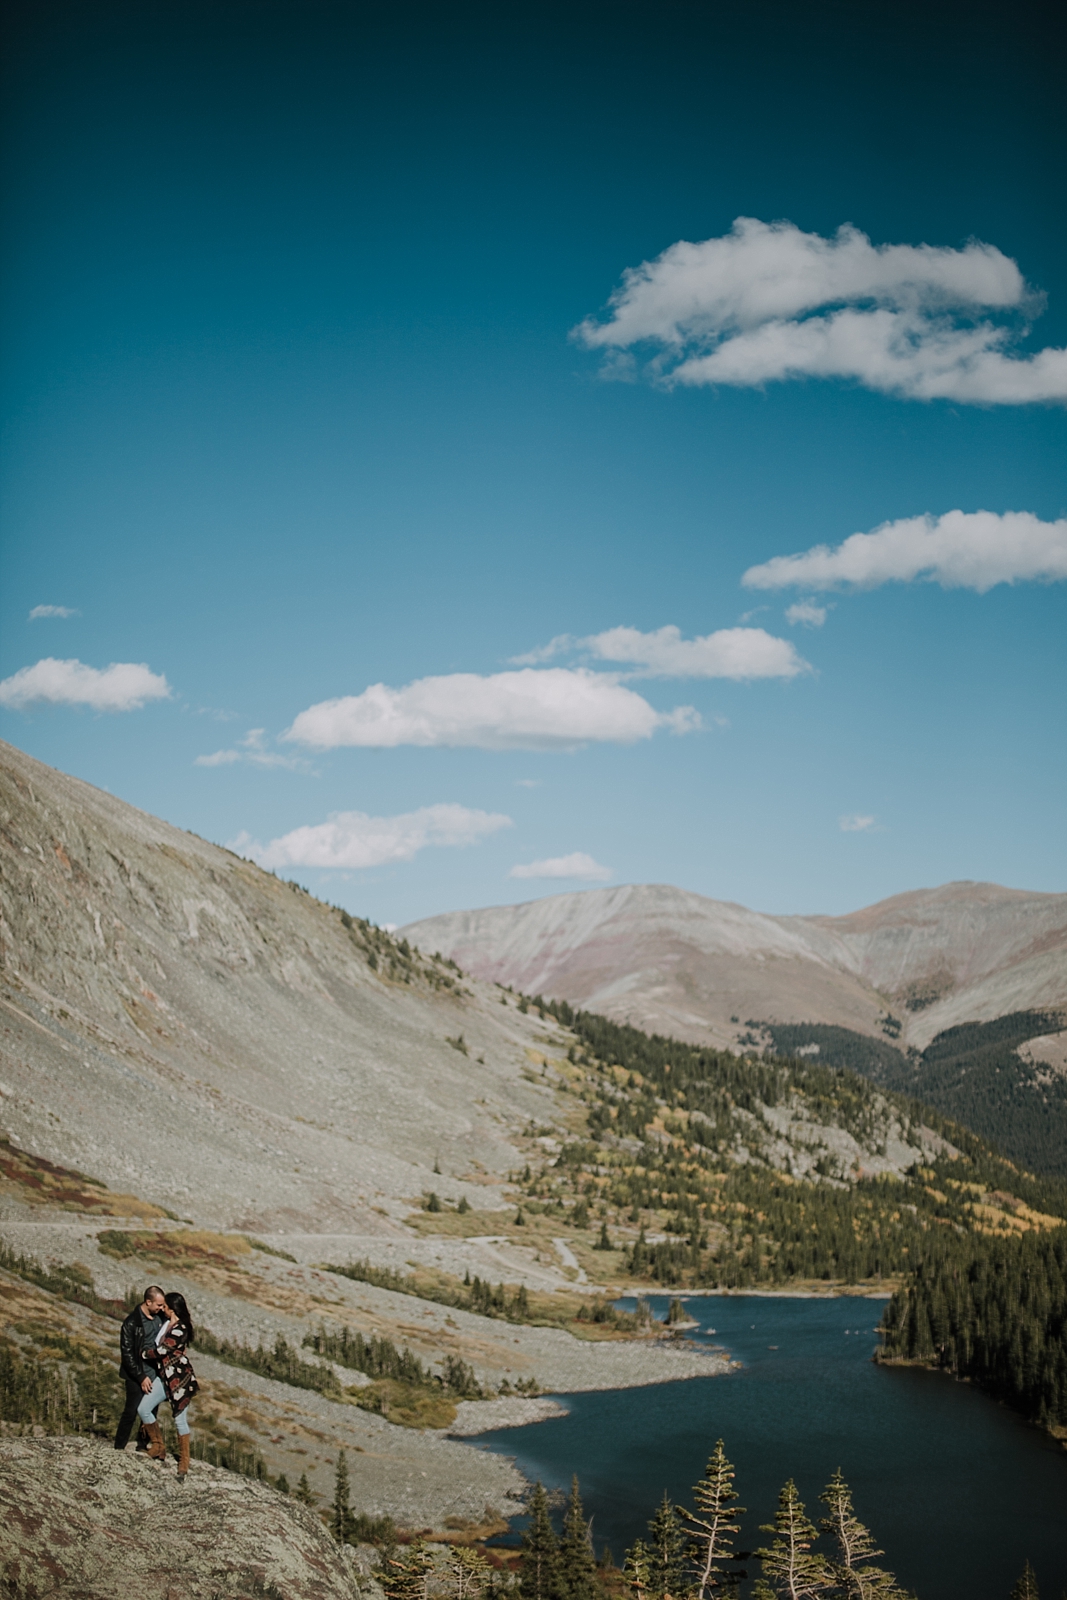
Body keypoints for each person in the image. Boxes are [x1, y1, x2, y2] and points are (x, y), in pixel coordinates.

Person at [136, 1289, 199, 1479]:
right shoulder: (167, 1324)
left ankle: (184, 1463)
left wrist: (144, 1354)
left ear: (172, 1309)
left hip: (179, 1380)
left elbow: (163, 1349)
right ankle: (158, 1446)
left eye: (165, 1306)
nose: (162, 1309)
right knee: (144, 1408)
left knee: (180, 1419)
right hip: (165, 1377)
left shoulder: (180, 1328)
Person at [114, 1284, 168, 1451]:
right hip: (136, 1374)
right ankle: (119, 1447)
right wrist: (140, 1376)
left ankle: (142, 1445)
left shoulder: (161, 1319)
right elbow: (127, 1354)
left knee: (150, 1411)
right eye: (159, 1305)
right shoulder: (131, 1323)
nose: (161, 1308)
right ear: (148, 1302)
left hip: (155, 1372)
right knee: (130, 1412)